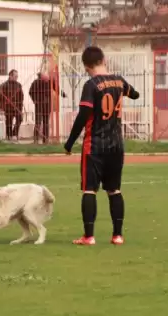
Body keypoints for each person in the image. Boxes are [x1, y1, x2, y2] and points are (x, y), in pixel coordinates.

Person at [63, 46, 140, 246]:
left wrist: (69, 143)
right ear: (104, 59)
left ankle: (88, 236)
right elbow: (135, 94)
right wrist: (123, 92)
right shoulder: (119, 81)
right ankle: (118, 235)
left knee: (89, 190)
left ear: (86, 65)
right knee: (114, 190)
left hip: (94, 146)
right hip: (116, 145)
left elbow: (83, 116)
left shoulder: (91, 85)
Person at [0, 69, 24, 141]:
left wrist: (21, 108)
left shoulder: (19, 85)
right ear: (10, 76)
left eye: (17, 77)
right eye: (15, 76)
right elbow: (0, 98)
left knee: (20, 119)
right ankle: (9, 136)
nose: (16, 78)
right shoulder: (4, 85)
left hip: (17, 106)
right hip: (8, 107)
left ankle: (14, 134)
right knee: (9, 122)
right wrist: (1, 108)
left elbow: (21, 97)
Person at [29, 72, 51, 144]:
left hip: (47, 105)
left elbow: (57, 87)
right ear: (41, 77)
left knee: (46, 123)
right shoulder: (36, 82)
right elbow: (30, 92)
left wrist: (63, 94)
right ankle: (36, 139)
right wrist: (35, 100)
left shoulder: (49, 82)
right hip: (39, 105)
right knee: (38, 122)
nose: (47, 78)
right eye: (46, 77)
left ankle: (46, 140)